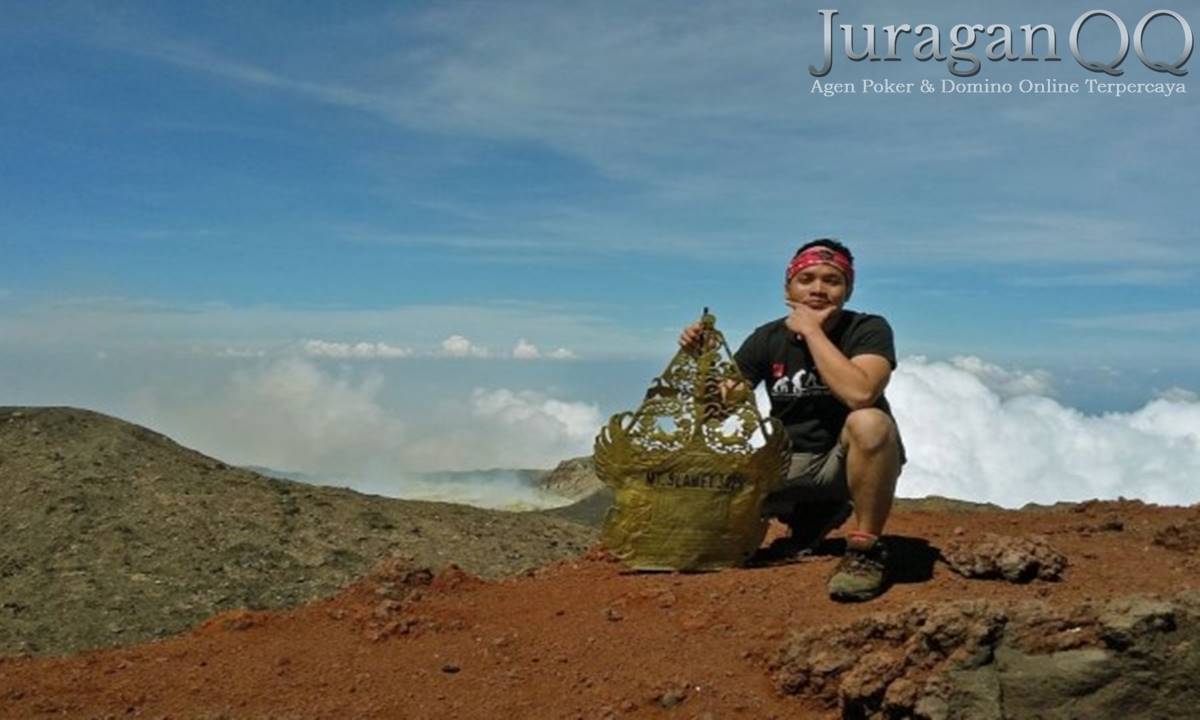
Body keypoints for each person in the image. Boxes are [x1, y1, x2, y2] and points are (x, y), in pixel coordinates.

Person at [678, 238, 904, 601]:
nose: (818, 288)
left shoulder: (867, 329)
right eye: (807, 278)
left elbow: (860, 393)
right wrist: (701, 363)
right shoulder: (766, 339)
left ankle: (864, 551)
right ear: (788, 286)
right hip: (785, 464)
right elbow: (717, 411)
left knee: (870, 422)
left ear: (847, 289)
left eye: (832, 280)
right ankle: (811, 516)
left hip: (845, 463)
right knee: (703, 533)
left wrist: (811, 331)